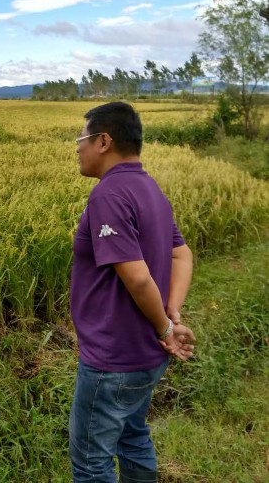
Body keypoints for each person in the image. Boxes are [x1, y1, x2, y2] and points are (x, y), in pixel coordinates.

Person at [69, 102, 195, 482]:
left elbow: (138, 279)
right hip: (146, 357)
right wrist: (171, 311)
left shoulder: (109, 194)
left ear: (103, 141)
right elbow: (182, 254)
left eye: (81, 139)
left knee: (91, 462)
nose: (78, 148)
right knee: (133, 436)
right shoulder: (149, 188)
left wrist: (165, 327)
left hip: (114, 357)